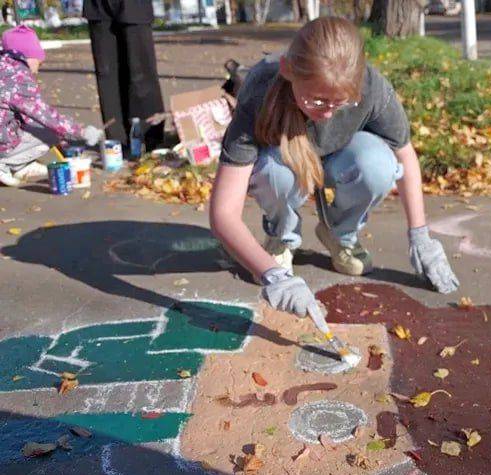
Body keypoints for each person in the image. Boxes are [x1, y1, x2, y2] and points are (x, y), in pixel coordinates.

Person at [210, 17, 459, 320]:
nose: (327, 113)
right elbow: (223, 213)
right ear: (289, 70)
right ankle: (280, 238)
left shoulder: (371, 86)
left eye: (340, 102)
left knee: (380, 163)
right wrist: (271, 274)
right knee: (273, 169)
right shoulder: (260, 92)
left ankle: (340, 234)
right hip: (285, 163)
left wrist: (420, 236)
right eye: (316, 100)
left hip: (342, 158)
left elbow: (405, 156)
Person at [0, 26, 102, 187]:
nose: (38, 68)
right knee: (52, 133)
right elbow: (46, 116)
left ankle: (19, 165)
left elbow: (26, 116)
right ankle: (6, 163)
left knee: (34, 126)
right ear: (27, 56)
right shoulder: (18, 78)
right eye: (39, 62)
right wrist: (80, 132)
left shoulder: (4, 68)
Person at [83, 0, 165, 153]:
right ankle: (117, 142)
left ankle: (152, 139)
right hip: (98, 7)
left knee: (140, 69)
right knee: (106, 74)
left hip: (133, 6)